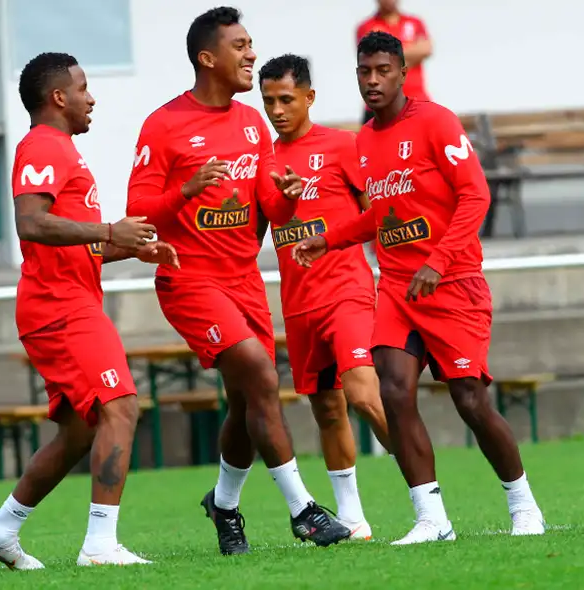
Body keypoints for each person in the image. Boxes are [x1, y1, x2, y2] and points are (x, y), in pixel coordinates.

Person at [293, 31, 545, 545]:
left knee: (470, 401)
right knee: (393, 390)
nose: (372, 81)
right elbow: (380, 217)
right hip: (398, 290)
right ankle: (432, 517)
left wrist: (438, 260)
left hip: (453, 283)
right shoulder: (363, 141)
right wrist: (330, 239)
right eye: (364, 71)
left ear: (403, 72)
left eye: (383, 70)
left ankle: (524, 504)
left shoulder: (435, 122)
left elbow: (476, 196)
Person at [127, 6, 352, 555]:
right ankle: (303, 510)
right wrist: (185, 190)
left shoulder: (252, 123)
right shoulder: (164, 125)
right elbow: (135, 214)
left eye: (251, 43)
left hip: (245, 279)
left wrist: (287, 194)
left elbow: (268, 206)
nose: (252, 54)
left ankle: (224, 507)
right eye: (240, 46)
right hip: (191, 280)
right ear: (208, 58)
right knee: (259, 373)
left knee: (244, 401)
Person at [0, 52, 175, 570]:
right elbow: (30, 224)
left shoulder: (62, 151)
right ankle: (100, 546)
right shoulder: (43, 146)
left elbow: (76, 243)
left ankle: (0, 531)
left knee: (82, 430)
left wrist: (131, 246)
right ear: (59, 97)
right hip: (61, 309)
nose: (91, 97)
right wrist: (108, 229)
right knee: (121, 407)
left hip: (69, 303)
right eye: (83, 87)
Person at [257, 53, 392, 540]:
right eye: (268, 100)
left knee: (364, 394)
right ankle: (353, 518)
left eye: (286, 99)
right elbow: (263, 219)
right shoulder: (263, 159)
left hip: (347, 291)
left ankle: (428, 497)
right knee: (329, 409)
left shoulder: (342, 146)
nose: (276, 109)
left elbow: (376, 213)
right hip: (298, 303)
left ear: (309, 97)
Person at [355, 0, 432, 124]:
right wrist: (411, 53)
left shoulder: (414, 22)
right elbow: (371, 59)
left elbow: (426, 49)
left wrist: (390, 56)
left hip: (417, 99)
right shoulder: (367, 26)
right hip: (380, 103)